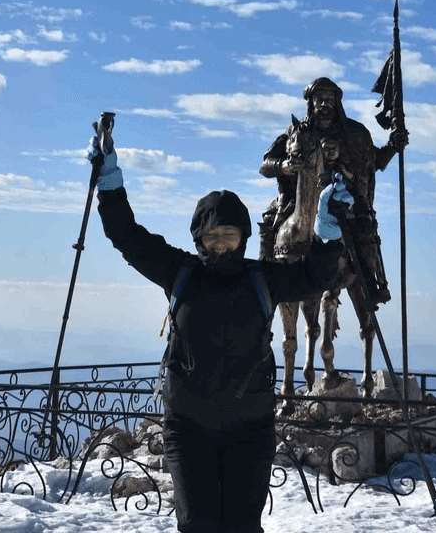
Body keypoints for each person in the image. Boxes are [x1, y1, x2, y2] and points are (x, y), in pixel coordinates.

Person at [87, 130, 352, 533]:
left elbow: (311, 275)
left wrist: (327, 235)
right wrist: (110, 185)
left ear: (244, 238)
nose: (223, 247)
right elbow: (128, 238)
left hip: (250, 430)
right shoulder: (180, 273)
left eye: (231, 237)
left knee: (243, 526)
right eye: (214, 238)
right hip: (188, 430)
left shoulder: (261, 279)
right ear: (199, 239)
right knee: (198, 523)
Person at [258, 76, 407, 305]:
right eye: (319, 99)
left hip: (340, 199)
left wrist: (393, 146)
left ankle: (372, 283)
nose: (324, 104)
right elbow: (265, 165)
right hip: (298, 198)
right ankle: (262, 284)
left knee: (365, 230)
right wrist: (284, 167)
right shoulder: (295, 131)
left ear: (337, 102)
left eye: (329, 99)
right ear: (311, 102)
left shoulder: (354, 133)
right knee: (269, 222)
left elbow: (374, 161)